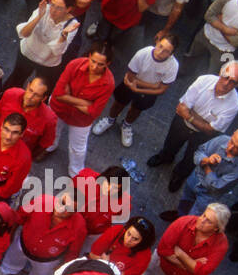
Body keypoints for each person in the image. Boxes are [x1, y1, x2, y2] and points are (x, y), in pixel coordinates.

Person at [146, 61, 238, 176]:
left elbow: (211, 130)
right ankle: (165, 157)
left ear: (237, 85)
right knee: (170, 144)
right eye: (226, 77)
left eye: (233, 81)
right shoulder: (204, 80)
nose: (227, 83)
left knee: (191, 158)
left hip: (202, 135)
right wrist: (203, 122)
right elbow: (182, 108)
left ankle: (180, 174)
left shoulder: (234, 104)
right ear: (220, 73)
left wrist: (189, 116)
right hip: (182, 123)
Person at [91, 35, 179, 149]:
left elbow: (162, 89)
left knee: (137, 109)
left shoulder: (173, 65)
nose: (160, 51)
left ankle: (126, 125)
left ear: (171, 54)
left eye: (166, 51)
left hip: (146, 92)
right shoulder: (143, 53)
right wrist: (153, 85)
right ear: (157, 42)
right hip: (136, 86)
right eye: (160, 46)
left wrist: (138, 89)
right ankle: (110, 120)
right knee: (119, 103)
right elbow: (130, 77)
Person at [147, 204, 230, 275]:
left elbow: (202, 272)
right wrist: (190, 265)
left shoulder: (221, 244)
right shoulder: (184, 222)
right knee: (143, 274)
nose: (201, 220)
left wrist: (180, 253)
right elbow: (163, 250)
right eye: (203, 215)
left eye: (208, 221)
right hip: (160, 265)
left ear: (216, 228)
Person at [49, 42, 115, 176]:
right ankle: (50, 147)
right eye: (93, 61)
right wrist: (85, 103)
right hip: (59, 108)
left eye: (100, 64)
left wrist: (68, 97)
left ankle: (76, 173)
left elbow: (94, 112)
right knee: (52, 131)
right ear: (89, 56)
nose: (94, 67)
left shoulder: (109, 83)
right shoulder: (75, 64)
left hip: (81, 120)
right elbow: (58, 94)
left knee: (77, 149)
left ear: (108, 64)